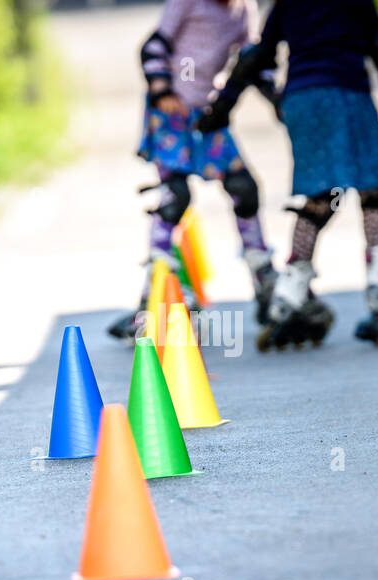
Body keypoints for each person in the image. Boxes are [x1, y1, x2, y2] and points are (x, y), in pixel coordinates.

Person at [197, 0, 378, 349]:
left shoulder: (288, 6)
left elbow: (256, 55)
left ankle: (289, 292)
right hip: (346, 93)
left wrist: (221, 108)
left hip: (302, 100)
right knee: (374, 183)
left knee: (320, 195)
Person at [108, 0, 278, 342]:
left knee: (244, 189)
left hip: (208, 115)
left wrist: (279, 97)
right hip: (171, 111)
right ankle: (151, 296)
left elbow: (253, 60)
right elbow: (155, 46)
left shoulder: (243, 9)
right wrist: (162, 89)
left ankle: (264, 279)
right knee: (175, 197)